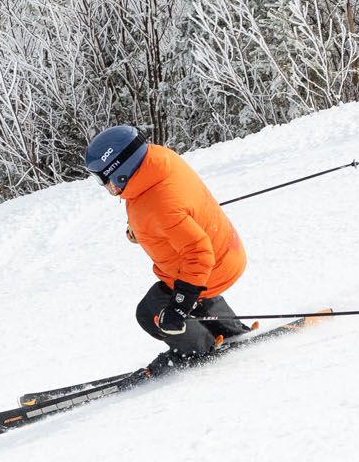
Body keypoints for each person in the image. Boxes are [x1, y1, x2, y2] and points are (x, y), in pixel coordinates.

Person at [83, 124, 250, 368]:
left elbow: (199, 254)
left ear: (121, 170)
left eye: (103, 178)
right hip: (225, 250)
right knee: (182, 289)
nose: (105, 186)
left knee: (151, 312)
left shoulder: (159, 205)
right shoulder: (158, 163)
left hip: (210, 265)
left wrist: (180, 306)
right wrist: (142, 230)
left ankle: (198, 351)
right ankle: (228, 329)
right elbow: (169, 213)